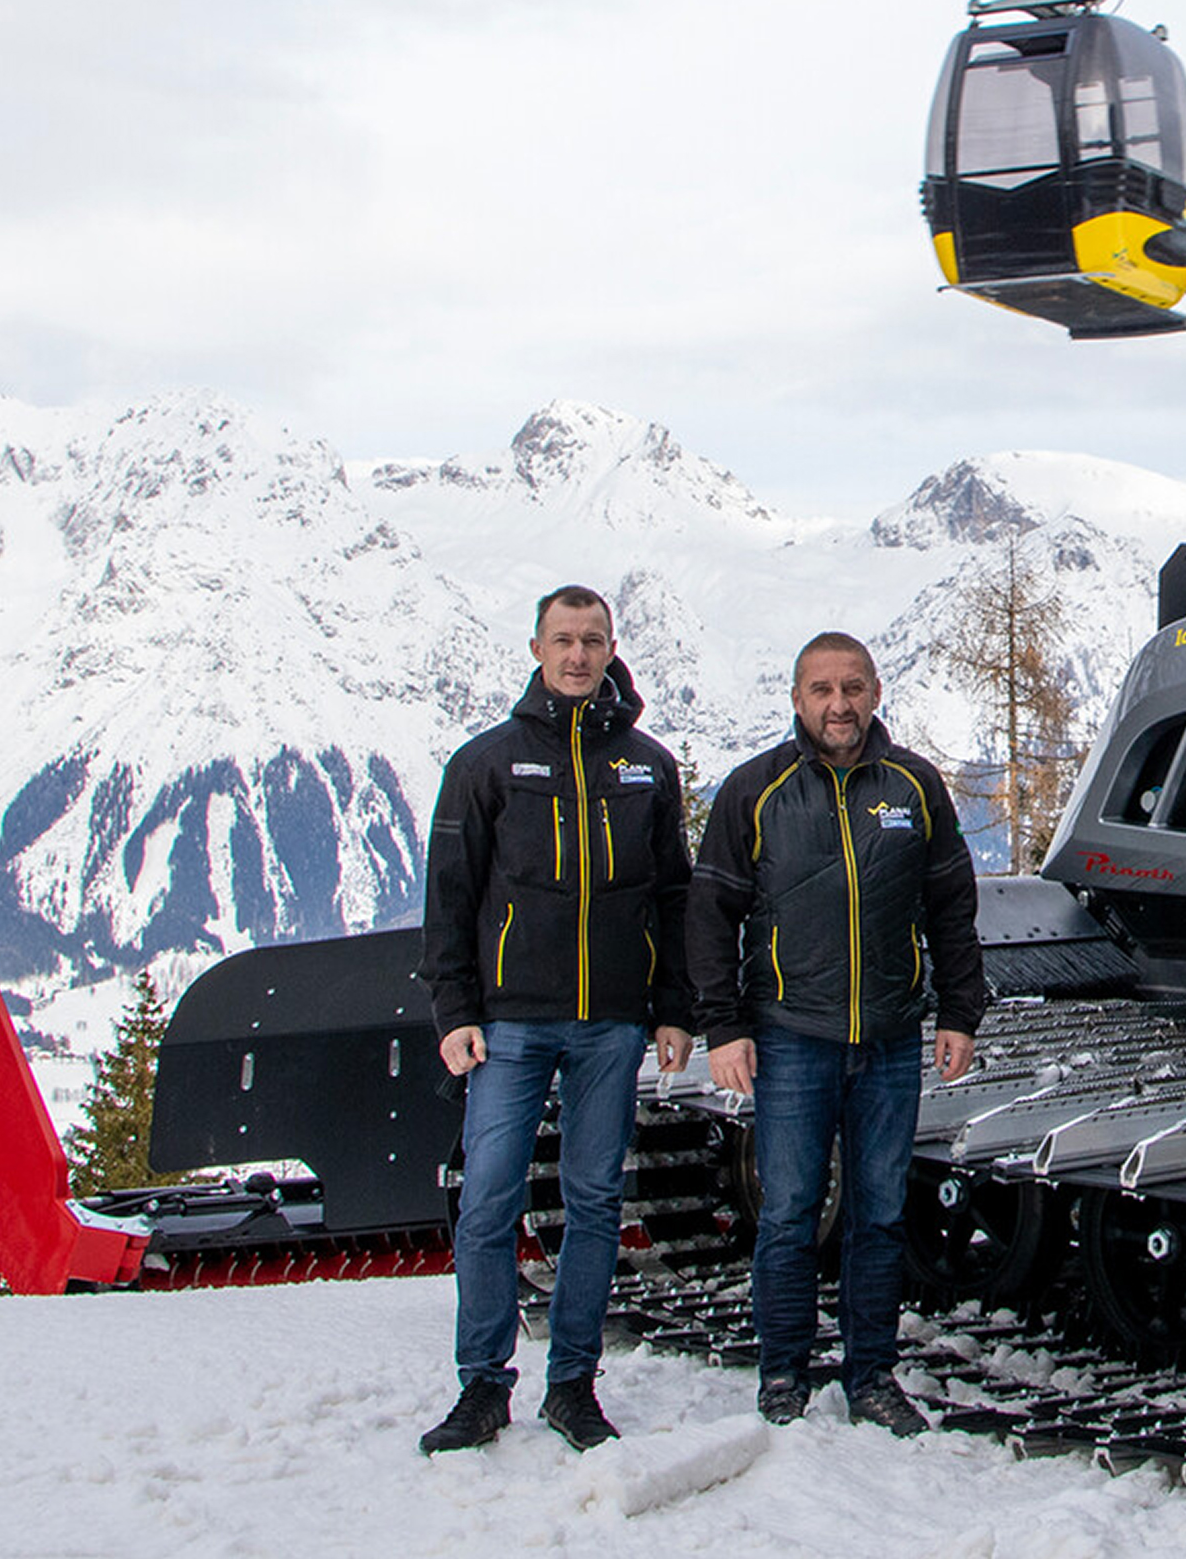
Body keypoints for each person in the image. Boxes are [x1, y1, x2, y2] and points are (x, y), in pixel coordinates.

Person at [418, 583, 693, 1455]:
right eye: (564, 639)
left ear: (613, 649)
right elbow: (450, 897)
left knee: (594, 1201)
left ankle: (572, 1383)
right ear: (537, 648)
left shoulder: (648, 765)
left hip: (611, 1022)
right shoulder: (488, 763)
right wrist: (454, 1009)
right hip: (508, 1023)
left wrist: (674, 1010)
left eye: (593, 640)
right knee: (489, 1201)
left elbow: (675, 897)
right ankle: (481, 1388)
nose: (579, 655)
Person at [687, 631, 984, 1432]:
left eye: (853, 687)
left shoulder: (914, 787)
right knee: (787, 1213)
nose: (839, 704)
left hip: (888, 1039)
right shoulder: (756, 790)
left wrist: (959, 1011)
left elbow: (952, 908)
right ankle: (782, 1373)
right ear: (797, 699)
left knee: (880, 1214)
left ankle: (873, 1375)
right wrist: (723, 1027)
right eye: (822, 690)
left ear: (876, 691)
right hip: (790, 1037)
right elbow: (711, 914)